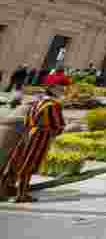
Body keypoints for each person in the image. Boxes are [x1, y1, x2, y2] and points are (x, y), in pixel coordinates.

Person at [1, 72, 67, 202]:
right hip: (40, 136)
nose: (63, 90)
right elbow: (58, 125)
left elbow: (27, 120)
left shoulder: (39, 101)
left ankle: (5, 189)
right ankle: (22, 195)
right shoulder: (53, 105)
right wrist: (56, 131)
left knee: (16, 162)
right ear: (52, 88)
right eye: (61, 87)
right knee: (30, 165)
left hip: (28, 134)